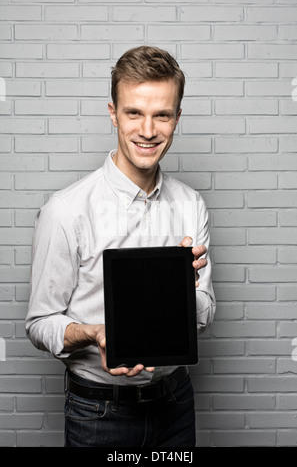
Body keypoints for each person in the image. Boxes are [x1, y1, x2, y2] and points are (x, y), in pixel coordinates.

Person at [25, 46, 216, 447]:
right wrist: (94, 333)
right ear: (113, 112)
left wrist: (183, 292)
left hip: (175, 403)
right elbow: (40, 324)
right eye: (134, 113)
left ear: (177, 118)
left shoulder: (190, 205)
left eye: (162, 114)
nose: (148, 130)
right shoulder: (66, 210)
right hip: (98, 412)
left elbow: (204, 314)